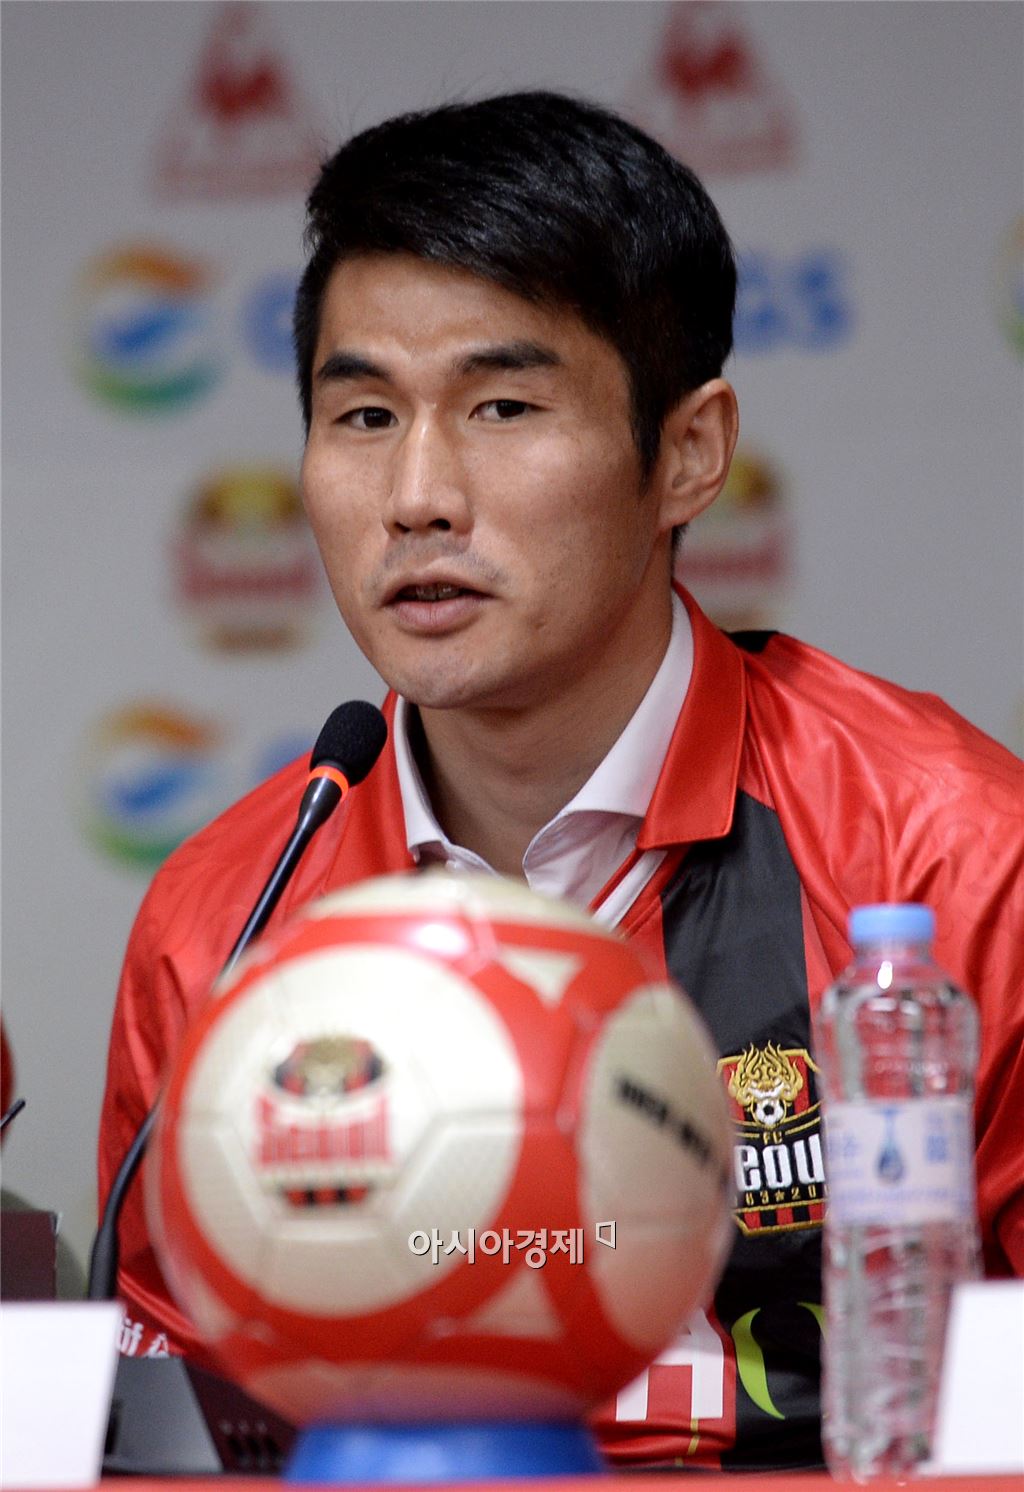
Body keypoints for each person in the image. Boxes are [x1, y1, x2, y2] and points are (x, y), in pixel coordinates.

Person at [98, 91, 1024, 1470]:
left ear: (689, 453)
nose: (418, 494)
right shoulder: (225, 921)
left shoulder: (955, 856)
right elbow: (177, 1439)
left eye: (503, 405)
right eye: (363, 414)